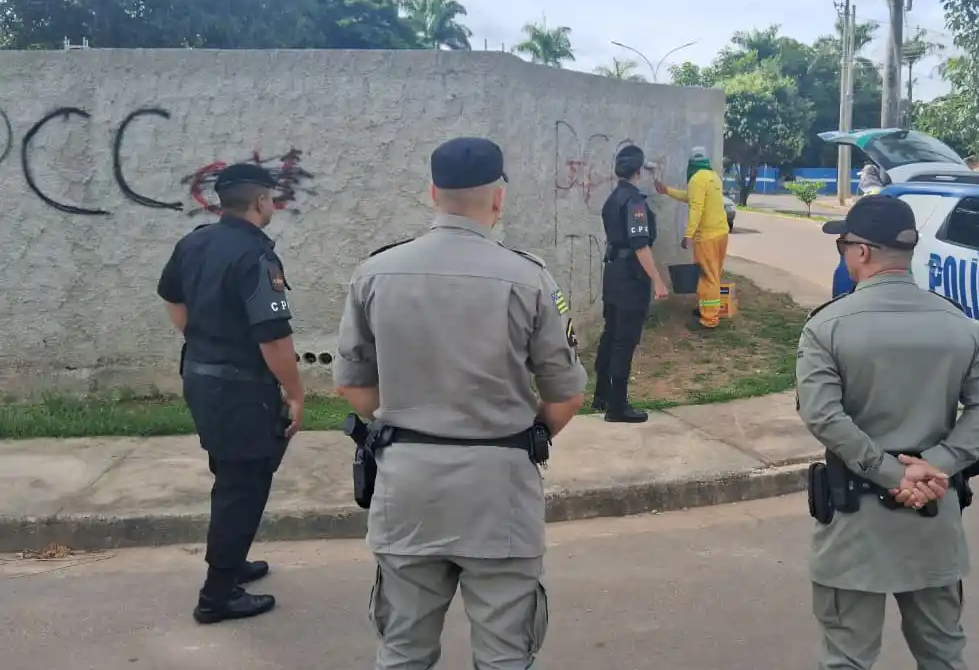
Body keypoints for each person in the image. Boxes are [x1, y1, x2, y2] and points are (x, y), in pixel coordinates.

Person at [333, 136, 587, 670]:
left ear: (433, 193)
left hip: (407, 488)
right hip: (499, 492)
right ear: (498, 197)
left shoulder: (375, 272)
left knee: (402, 653)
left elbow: (353, 387)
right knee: (504, 658)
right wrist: (526, 436)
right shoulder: (530, 277)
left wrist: (411, 420)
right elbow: (566, 395)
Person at [796, 194, 979, 669]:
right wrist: (937, 463)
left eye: (843, 246)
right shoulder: (960, 325)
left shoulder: (827, 327)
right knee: (943, 655)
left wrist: (892, 474)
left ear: (861, 251)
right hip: (933, 517)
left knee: (847, 660)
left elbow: (823, 415)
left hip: (855, 526)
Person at [156, 163, 303, 625]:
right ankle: (217, 595)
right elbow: (273, 338)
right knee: (244, 484)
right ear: (260, 201)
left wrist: (203, 339)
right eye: (270, 199)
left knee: (230, 473)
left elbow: (171, 298)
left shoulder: (195, 242)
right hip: (241, 389)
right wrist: (295, 392)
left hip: (201, 378)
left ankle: (232, 561)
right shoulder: (256, 256)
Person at [594, 144, 668, 423]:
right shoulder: (635, 202)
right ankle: (617, 407)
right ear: (638, 171)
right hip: (630, 278)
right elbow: (640, 245)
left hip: (613, 273)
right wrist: (658, 280)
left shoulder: (613, 198)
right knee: (624, 341)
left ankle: (601, 395)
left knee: (611, 335)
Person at [654, 146, 731, 330]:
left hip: (707, 237)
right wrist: (666, 190)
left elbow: (696, 208)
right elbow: (692, 197)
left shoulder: (697, 178)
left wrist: (688, 235)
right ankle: (707, 309)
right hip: (721, 233)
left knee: (707, 277)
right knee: (714, 275)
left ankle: (709, 320)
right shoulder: (713, 177)